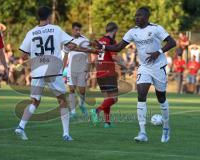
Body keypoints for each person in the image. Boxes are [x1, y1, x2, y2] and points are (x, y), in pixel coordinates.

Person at [94, 7, 176, 142]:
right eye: (135, 16)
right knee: (141, 95)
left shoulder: (156, 29)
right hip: (144, 67)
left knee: (161, 98)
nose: (136, 18)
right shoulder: (132, 31)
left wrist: (158, 52)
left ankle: (166, 128)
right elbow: (118, 47)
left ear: (147, 17)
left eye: (139, 16)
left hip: (158, 67)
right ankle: (142, 133)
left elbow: (172, 42)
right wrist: (102, 47)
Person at [15, 6, 96, 141]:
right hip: (53, 69)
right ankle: (66, 134)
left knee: (35, 101)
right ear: (49, 17)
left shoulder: (31, 32)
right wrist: (91, 50)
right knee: (62, 101)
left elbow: (23, 55)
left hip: (37, 71)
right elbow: (71, 46)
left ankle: (21, 126)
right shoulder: (56, 29)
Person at [90, 22, 119, 128]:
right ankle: (97, 110)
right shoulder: (111, 41)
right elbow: (114, 57)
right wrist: (125, 65)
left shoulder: (99, 41)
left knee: (107, 98)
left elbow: (94, 58)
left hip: (100, 73)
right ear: (115, 30)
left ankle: (107, 122)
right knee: (114, 98)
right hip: (108, 73)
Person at [64, 22, 89, 118]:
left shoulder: (85, 40)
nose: (78, 31)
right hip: (71, 69)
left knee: (82, 90)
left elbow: (89, 54)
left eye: (79, 30)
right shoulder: (67, 41)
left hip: (82, 68)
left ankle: (82, 105)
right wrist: (62, 68)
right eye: (76, 30)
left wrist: (88, 68)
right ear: (72, 30)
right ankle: (73, 112)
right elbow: (65, 55)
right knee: (71, 90)